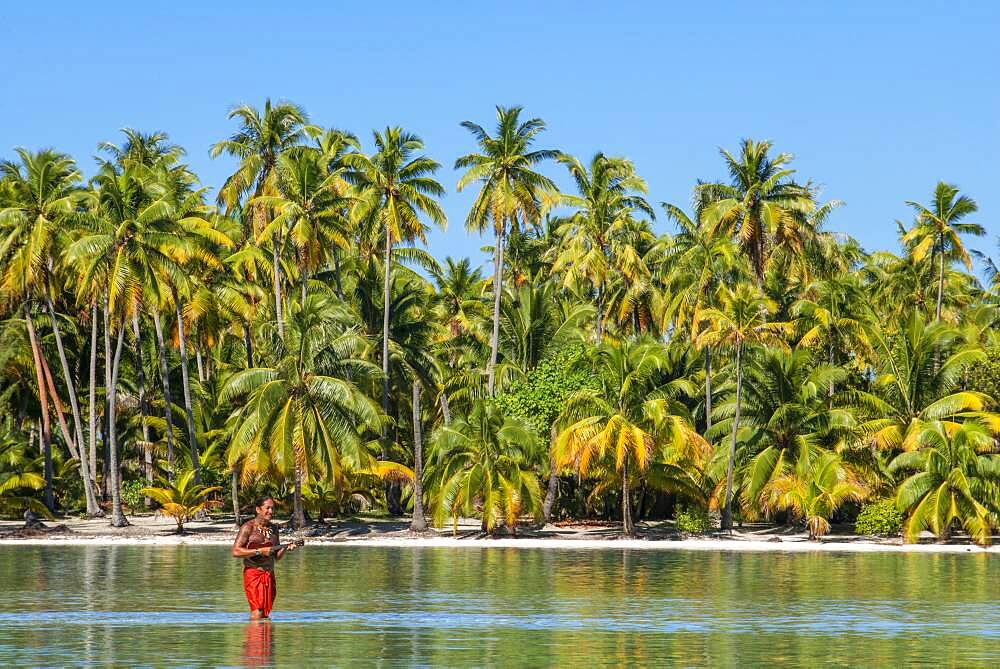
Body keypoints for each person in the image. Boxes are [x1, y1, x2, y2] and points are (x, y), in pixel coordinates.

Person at [232, 496, 298, 619]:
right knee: (257, 611)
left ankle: (265, 637)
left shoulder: (274, 529)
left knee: (265, 613)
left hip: (269, 574)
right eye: (267, 508)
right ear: (258, 509)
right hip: (254, 574)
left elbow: (276, 557)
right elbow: (236, 551)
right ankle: (255, 637)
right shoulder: (248, 527)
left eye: (272, 508)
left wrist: (285, 548)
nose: (271, 511)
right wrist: (259, 551)